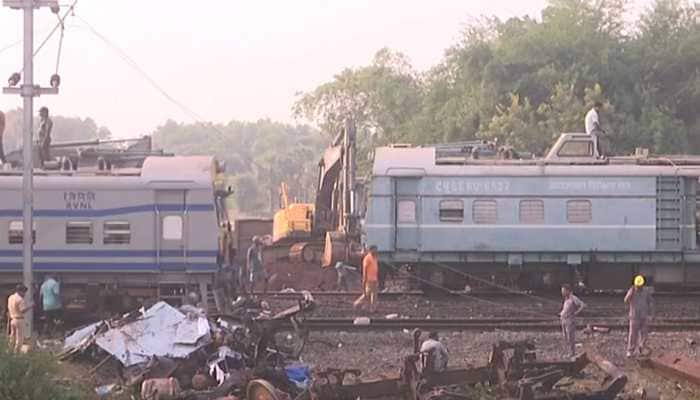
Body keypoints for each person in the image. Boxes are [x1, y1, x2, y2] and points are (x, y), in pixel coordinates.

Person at [624, 275, 654, 357]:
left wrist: (650, 314)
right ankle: (630, 350)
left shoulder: (646, 291)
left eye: (640, 286)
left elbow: (650, 302)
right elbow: (625, 300)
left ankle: (642, 348)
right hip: (634, 316)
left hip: (644, 316)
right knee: (633, 334)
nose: (639, 287)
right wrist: (630, 293)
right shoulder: (632, 291)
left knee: (644, 334)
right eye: (638, 286)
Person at [560, 283, 586, 359]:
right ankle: (569, 353)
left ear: (568, 291)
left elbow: (583, 305)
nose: (562, 292)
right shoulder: (566, 299)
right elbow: (566, 308)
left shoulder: (573, 298)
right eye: (562, 291)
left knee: (570, 338)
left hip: (570, 321)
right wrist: (561, 313)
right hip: (563, 320)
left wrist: (576, 313)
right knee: (565, 337)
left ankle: (572, 353)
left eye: (563, 290)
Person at [7, 284, 33, 352]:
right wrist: (30, 306)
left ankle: (9, 351)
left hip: (12, 319)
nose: (24, 294)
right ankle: (16, 353)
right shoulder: (20, 299)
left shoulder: (11, 297)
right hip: (19, 319)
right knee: (20, 338)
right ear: (20, 291)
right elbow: (22, 310)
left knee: (12, 337)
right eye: (24, 292)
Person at [353, 245, 379, 313]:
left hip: (374, 279)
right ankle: (357, 303)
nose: (376, 251)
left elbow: (375, 268)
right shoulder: (367, 258)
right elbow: (364, 270)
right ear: (371, 250)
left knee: (374, 295)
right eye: (375, 250)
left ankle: (373, 309)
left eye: (376, 250)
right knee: (367, 294)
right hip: (369, 279)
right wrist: (364, 279)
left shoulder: (374, 258)